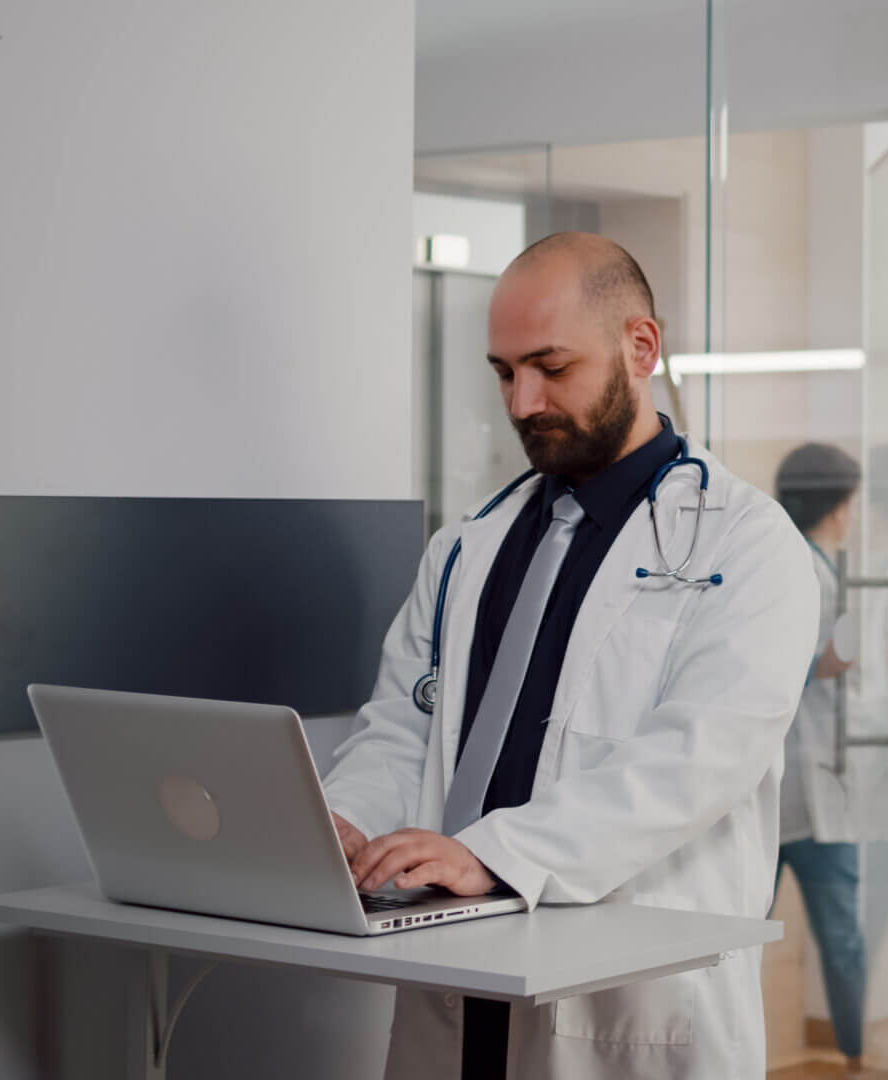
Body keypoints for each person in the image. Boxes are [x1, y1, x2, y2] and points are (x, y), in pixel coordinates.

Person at [322, 232, 819, 1080]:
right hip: (455, 973)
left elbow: (701, 759)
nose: (522, 402)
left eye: (551, 367)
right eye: (504, 371)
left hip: (624, 1004)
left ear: (641, 346)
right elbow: (404, 725)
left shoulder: (747, 542)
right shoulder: (468, 546)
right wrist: (342, 820)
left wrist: (496, 855)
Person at [773, 442, 871, 1070]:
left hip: (805, 787)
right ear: (835, 505)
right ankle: (857, 1059)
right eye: (851, 502)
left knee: (838, 936)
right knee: (840, 936)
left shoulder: (811, 563)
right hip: (790, 789)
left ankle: (856, 1055)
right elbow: (780, 671)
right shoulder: (799, 567)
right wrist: (830, 662)